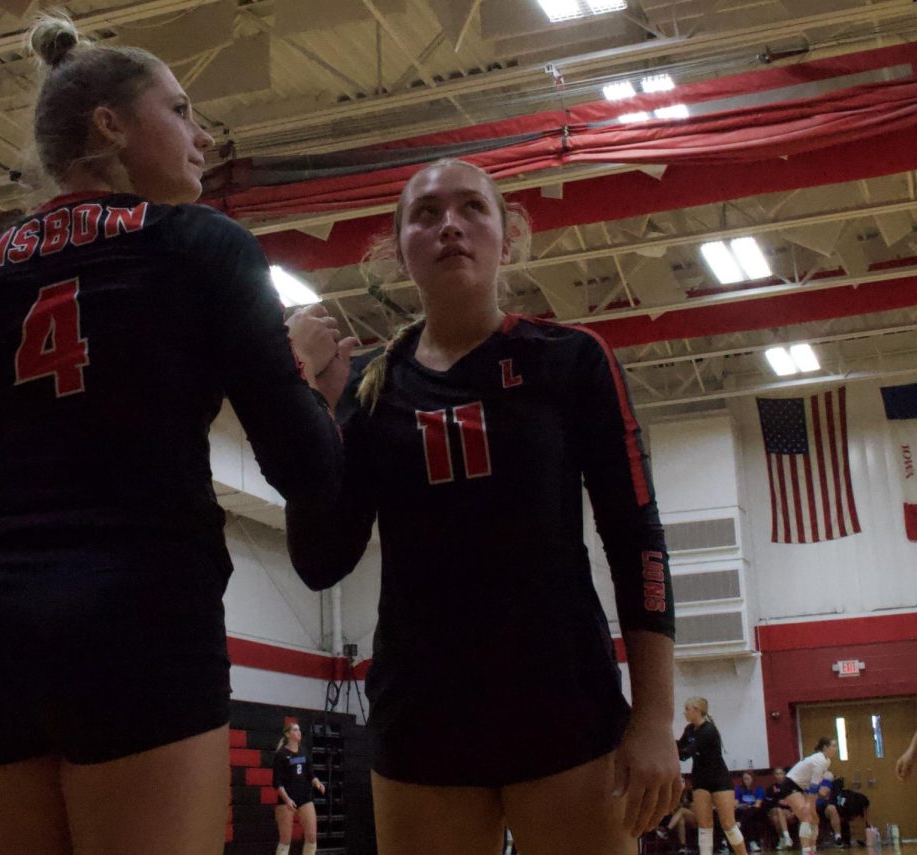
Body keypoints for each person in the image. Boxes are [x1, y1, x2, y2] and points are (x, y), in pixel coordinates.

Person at [0, 12, 351, 855]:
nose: (205, 136)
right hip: (142, 616)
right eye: (182, 110)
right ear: (110, 124)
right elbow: (307, 469)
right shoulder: (205, 246)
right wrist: (307, 374)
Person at [284, 157, 680, 855]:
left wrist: (653, 716)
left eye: (472, 209)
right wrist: (310, 405)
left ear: (507, 234)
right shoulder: (369, 394)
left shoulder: (571, 360)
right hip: (421, 724)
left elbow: (636, 536)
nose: (450, 227)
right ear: (398, 246)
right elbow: (321, 560)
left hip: (566, 709)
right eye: (426, 215)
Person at [676, 699, 748, 855]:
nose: (685, 712)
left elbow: (686, 753)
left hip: (719, 780)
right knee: (704, 826)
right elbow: (680, 749)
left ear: (697, 710)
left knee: (728, 824)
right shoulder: (689, 729)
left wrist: (674, 748)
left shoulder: (709, 730)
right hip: (700, 779)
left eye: (687, 709)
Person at [272, 722, 325, 855]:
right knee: (285, 840)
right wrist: (287, 799)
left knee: (312, 836)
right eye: (295, 730)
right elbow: (276, 782)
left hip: (305, 797)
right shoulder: (281, 755)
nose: (299, 732)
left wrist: (318, 783)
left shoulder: (304, 751)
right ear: (288, 734)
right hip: (287, 799)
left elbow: (311, 774)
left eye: (299, 730)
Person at [780, 737, 839, 855]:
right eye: (833, 746)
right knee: (805, 816)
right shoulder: (820, 760)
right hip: (790, 784)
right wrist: (807, 803)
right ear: (825, 748)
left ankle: (813, 849)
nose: (835, 749)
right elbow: (814, 786)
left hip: (803, 787)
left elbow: (814, 786)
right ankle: (806, 851)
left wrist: (811, 802)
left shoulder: (827, 761)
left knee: (815, 819)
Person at [763, 767, 794, 850]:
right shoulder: (771, 788)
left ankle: (782, 839)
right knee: (778, 811)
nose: (779, 776)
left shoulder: (789, 787)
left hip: (787, 811)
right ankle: (787, 837)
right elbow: (768, 802)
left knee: (777, 818)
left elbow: (794, 800)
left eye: (781, 773)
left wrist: (788, 804)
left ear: (784, 775)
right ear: (774, 776)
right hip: (774, 810)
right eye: (777, 774)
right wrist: (777, 800)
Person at [734, 771, 765, 852]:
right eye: (744, 779)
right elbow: (736, 804)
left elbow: (758, 804)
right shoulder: (739, 788)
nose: (746, 781)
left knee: (750, 812)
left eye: (748, 779)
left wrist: (749, 806)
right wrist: (742, 806)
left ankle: (739, 822)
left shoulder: (758, 788)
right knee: (747, 818)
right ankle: (752, 842)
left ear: (752, 779)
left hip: (755, 811)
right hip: (742, 810)